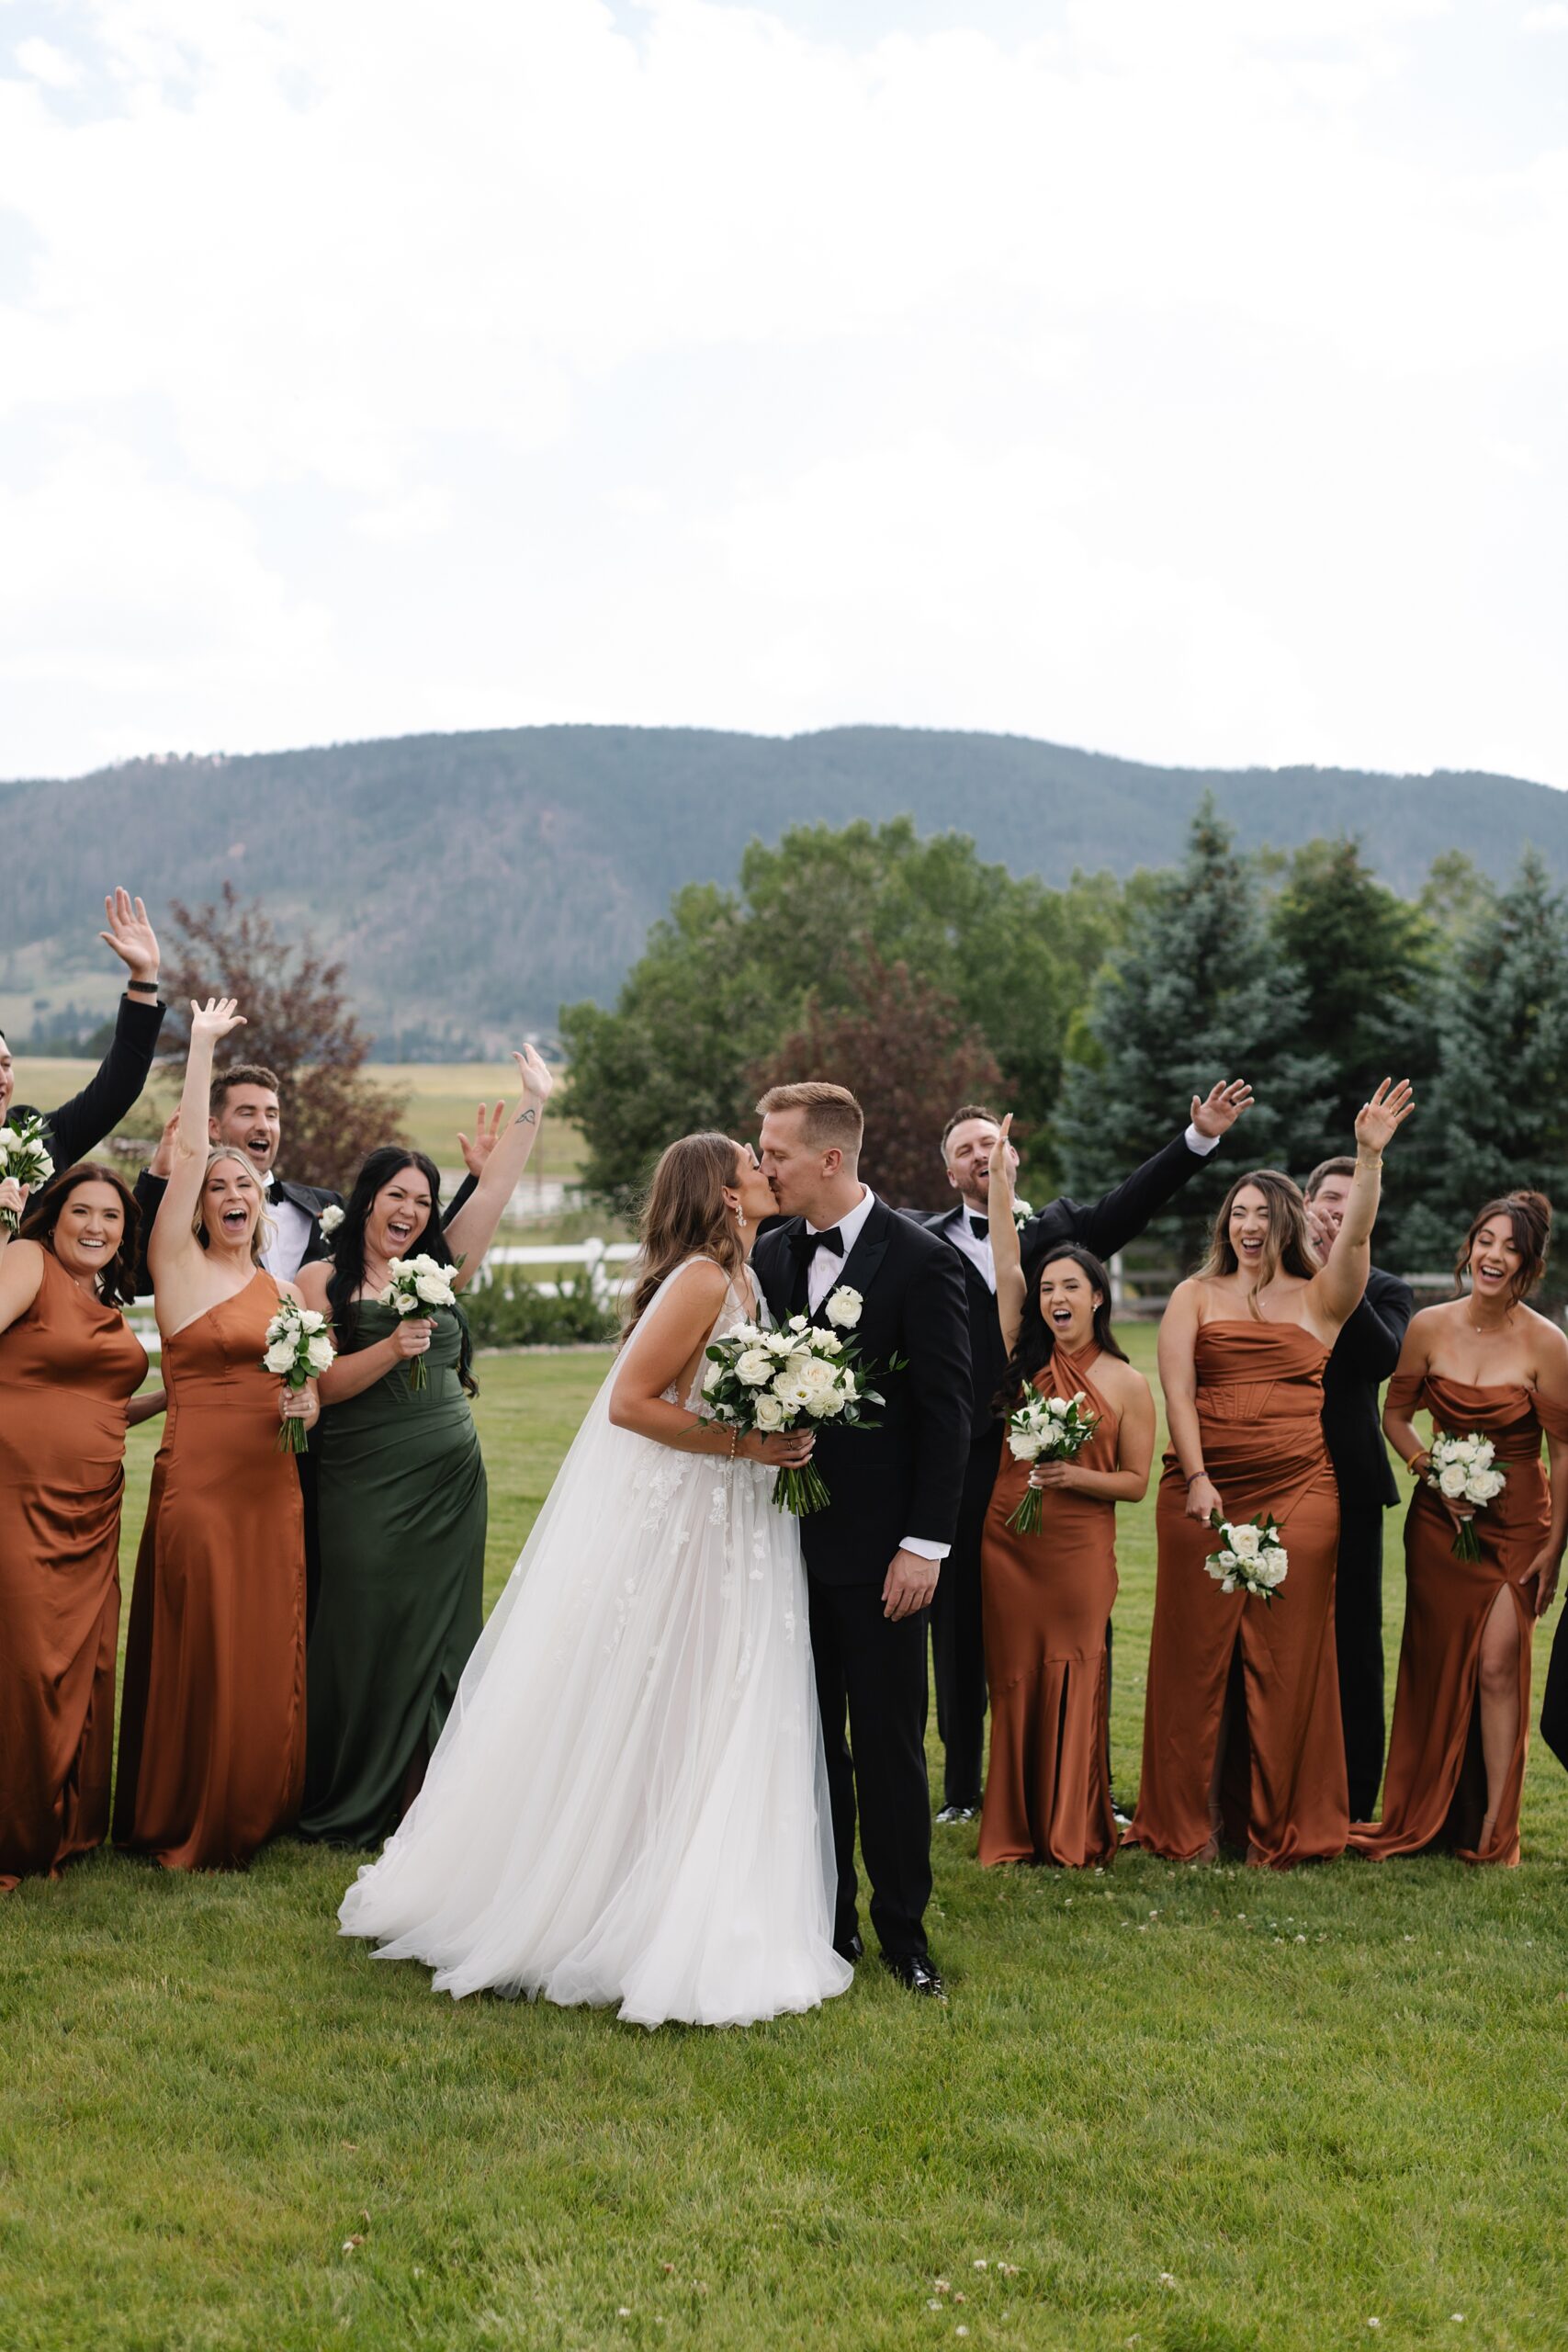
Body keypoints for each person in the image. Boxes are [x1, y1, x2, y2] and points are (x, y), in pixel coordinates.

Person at [338, 1134, 852, 2030]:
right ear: (725, 1196)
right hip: (691, 1515)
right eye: (752, 1167)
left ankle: (690, 1886)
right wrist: (747, 1442)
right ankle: (609, 1894)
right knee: (663, 1695)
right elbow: (630, 1403)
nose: (768, 1173)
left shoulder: (748, 1273)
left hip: (739, 1519)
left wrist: (781, 1426)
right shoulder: (698, 1278)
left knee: (716, 1699)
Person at [917, 1082, 1253, 1823]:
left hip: (1047, 1443)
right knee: (961, 1618)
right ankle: (965, 1792)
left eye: (989, 1142)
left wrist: (1196, 1138)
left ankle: (1083, 1781)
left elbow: (1134, 1201)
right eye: (964, 1149)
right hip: (957, 1453)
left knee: (1076, 1612)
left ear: (1012, 1152)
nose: (980, 1155)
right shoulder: (921, 1238)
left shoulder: (1062, 1227)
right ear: (948, 1172)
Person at [1125, 1080, 1414, 1869]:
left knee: (1290, 1657)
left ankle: (1281, 1817)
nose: (1247, 1225)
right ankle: (1193, 1816)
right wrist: (1196, 1477)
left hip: (1301, 1490)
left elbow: (1352, 1242)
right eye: (1237, 1214)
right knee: (1194, 1654)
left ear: (1285, 1223)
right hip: (1206, 1490)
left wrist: (1367, 1155)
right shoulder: (1194, 1293)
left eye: (1261, 1213)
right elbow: (1177, 1390)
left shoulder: (1321, 1300)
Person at [296, 1050, 554, 1849]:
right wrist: (391, 1349)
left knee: (444, 1637)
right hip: (361, 1482)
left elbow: (500, 1188)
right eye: (396, 1196)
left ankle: (433, 1799)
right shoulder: (318, 1284)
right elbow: (322, 1389)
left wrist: (533, 1102)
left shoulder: (440, 1269)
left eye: (424, 1199)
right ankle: (351, 1790)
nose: (410, 1210)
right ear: (366, 1202)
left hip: (449, 1486)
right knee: (364, 1627)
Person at [752, 1082, 970, 1998]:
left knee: (886, 1742)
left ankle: (903, 1931)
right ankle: (826, 1920)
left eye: (777, 1153)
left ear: (830, 1159)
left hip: (886, 1558)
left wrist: (924, 1545)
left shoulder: (920, 1262)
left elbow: (950, 1414)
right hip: (776, 1551)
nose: (764, 1165)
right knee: (806, 1743)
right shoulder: (767, 1256)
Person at [114, 999, 321, 1871]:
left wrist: (305, 1399)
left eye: (244, 1186)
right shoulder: (178, 1263)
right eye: (217, 1187)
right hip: (199, 1482)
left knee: (268, 1637)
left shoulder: (277, 1290)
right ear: (195, 1206)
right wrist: (199, 1046)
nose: (232, 1193)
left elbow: (296, 1380)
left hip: (272, 1485)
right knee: (204, 1634)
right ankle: (190, 1809)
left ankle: (254, 1803)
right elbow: (192, 1151)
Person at [1352, 1193, 1568, 1867]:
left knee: (1499, 1666)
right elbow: (1395, 1415)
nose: (1492, 1255)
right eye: (1484, 1240)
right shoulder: (1426, 1327)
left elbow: (1563, 1452)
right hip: (1438, 1527)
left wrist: (1555, 1547)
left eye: (1508, 1247)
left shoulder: (1546, 1343)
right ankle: (1429, 1811)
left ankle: (1495, 1834)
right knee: (1436, 1663)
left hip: (1518, 1528)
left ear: (1527, 1264)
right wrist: (1430, 1472)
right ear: (1468, 1247)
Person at [977, 1120, 1155, 1867]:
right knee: (1014, 1676)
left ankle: (1071, 1825)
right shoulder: (1022, 1356)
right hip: (1008, 1543)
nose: (1054, 1297)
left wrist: (1073, 1476)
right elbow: (1004, 1258)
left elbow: (1138, 1484)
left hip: (1079, 1553)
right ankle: (1014, 1826)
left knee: (1075, 1671)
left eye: (1069, 1288)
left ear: (1096, 1298)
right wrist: (999, 1182)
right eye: (1047, 1289)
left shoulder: (1126, 1382)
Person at [0, 1164, 162, 1887]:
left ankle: (62, 1823)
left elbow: (99, 1405)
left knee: (82, 1667)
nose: (96, 1227)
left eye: (112, 1217)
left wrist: (175, 1394)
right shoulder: (26, 1261)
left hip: (94, 1506)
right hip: (18, 1496)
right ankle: (14, 1829)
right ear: (52, 1218)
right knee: (27, 1664)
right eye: (82, 1212)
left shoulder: (105, 1301)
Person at [1302, 1157, 1416, 1821]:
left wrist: (1334, 1273)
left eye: (1354, 1202)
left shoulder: (1388, 1289)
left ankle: (1352, 1794)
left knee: (1352, 1635)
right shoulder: (1276, 1282)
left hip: (1351, 1480)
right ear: (1308, 1203)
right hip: (1271, 1472)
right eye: (1328, 1199)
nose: (1339, 1211)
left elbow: (1382, 1361)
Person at [0, 888, 164, 1166]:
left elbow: (116, 1087)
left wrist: (144, 977)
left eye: (6, 1065)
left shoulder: (36, 1138)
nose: (2, 1077)